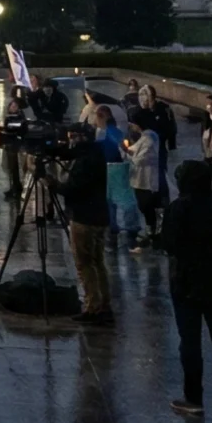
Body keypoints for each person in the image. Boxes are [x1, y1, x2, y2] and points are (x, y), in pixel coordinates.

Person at [157, 159, 212, 416]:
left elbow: (168, 244)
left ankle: (193, 398)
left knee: (190, 341)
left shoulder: (179, 208)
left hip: (187, 285)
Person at [60, 125, 115, 325]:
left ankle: (93, 307)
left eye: (73, 136)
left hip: (84, 217)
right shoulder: (96, 154)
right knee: (98, 262)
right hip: (100, 216)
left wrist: (51, 183)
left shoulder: (85, 161)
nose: (71, 140)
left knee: (84, 263)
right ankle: (104, 304)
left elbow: (73, 189)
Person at [124, 118, 164, 248]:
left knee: (147, 205)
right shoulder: (144, 137)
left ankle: (153, 233)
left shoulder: (149, 137)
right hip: (140, 178)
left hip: (147, 178)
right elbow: (133, 150)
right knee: (144, 205)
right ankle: (151, 231)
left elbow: (140, 157)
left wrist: (128, 153)